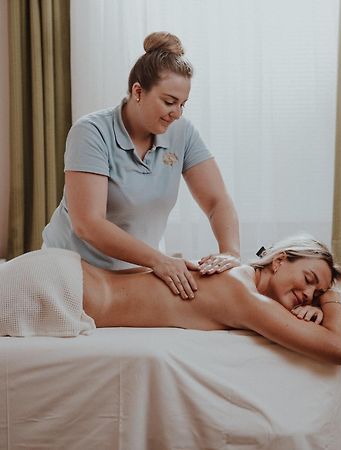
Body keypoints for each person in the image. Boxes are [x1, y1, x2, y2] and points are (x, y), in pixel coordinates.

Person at [42, 31, 240, 300]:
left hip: (138, 272)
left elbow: (217, 201)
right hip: (74, 271)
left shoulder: (181, 132)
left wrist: (230, 253)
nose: (177, 113)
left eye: (183, 104)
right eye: (169, 102)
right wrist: (159, 260)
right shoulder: (91, 132)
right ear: (138, 91)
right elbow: (88, 223)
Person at [0, 233, 341, 365]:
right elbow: (339, 349)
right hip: (58, 291)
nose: (309, 294)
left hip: (61, 275)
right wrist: (333, 298)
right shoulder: (241, 296)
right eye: (310, 280)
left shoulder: (233, 275)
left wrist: (316, 301)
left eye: (317, 293)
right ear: (279, 261)